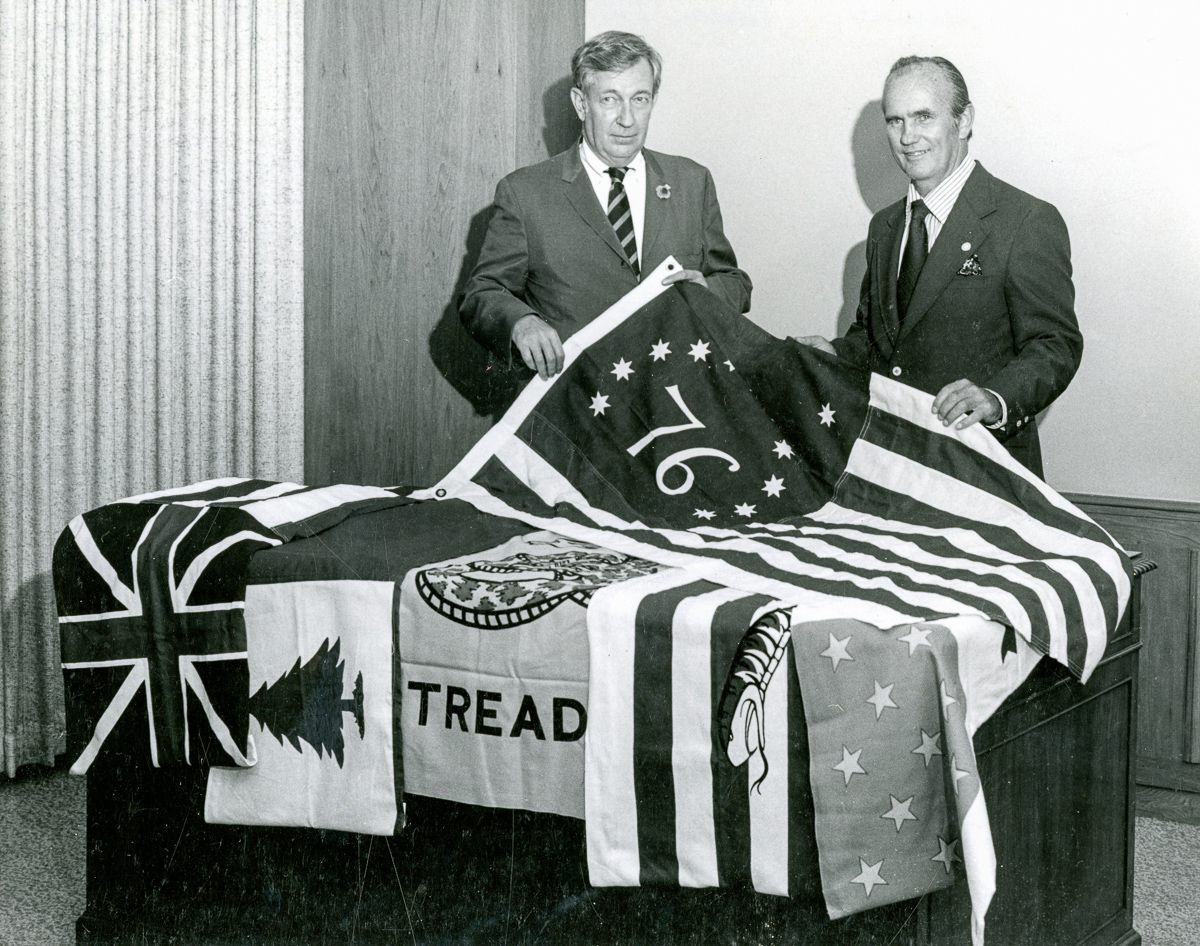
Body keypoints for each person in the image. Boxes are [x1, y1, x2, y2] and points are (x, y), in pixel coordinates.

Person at [798, 56, 1082, 476]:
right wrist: (834, 353)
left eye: (923, 117)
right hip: (891, 468)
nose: (907, 137)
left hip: (982, 471)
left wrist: (995, 399)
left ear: (963, 121)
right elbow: (877, 341)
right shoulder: (884, 227)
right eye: (895, 121)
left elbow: (1056, 344)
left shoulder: (1025, 220)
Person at [460, 31, 752, 380]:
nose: (627, 119)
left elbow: (734, 281)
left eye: (640, 99)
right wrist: (520, 323)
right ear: (581, 104)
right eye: (610, 99)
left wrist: (707, 292)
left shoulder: (692, 181)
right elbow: (483, 292)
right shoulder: (525, 193)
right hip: (577, 397)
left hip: (675, 392)